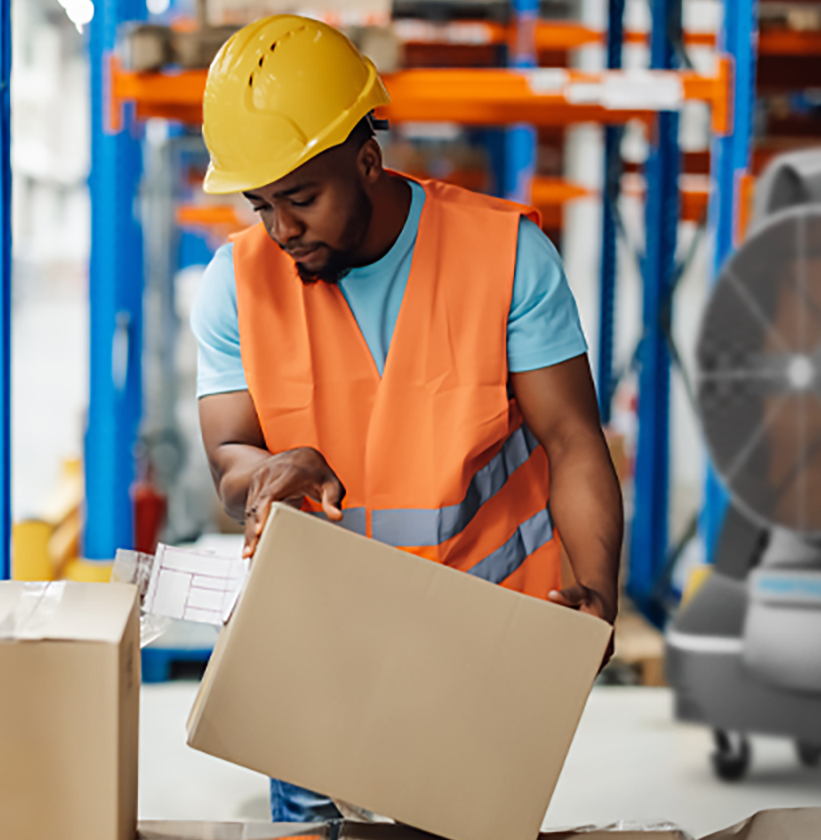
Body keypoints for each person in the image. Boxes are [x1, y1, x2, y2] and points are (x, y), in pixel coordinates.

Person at [190, 16, 625, 822]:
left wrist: (595, 593)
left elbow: (572, 441)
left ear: (367, 159)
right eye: (260, 206)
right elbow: (230, 456)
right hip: (317, 656)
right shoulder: (234, 285)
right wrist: (267, 476)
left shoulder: (505, 255)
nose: (282, 231)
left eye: (301, 199)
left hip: (478, 655)